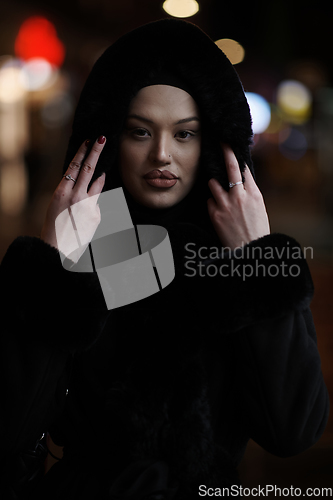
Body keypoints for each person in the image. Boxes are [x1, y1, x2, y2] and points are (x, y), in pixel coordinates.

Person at [0, 18, 329, 499]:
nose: (161, 155)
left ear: (215, 142)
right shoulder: (75, 255)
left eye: (185, 134)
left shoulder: (237, 261)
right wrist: (54, 263)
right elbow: (10, 428)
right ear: (108, 138)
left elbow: (292, 431)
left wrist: (255, 261)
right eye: (139, 131)